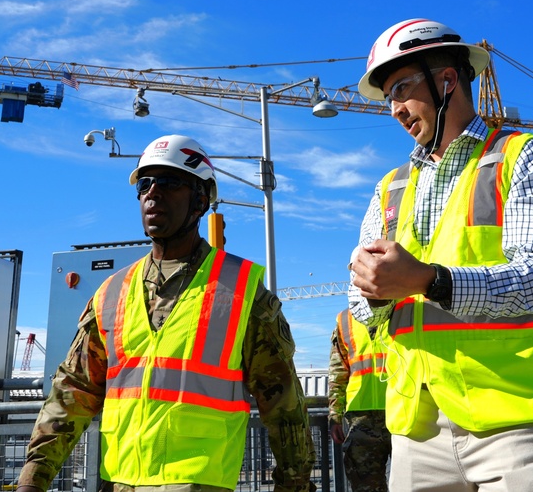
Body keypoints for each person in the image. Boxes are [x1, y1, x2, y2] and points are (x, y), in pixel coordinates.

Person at [348, 18, 533, 491]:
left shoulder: (523, 157)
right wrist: (374, 294)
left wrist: (428, 280)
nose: (394, 109)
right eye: (388, 96)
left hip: (518, 424)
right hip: (417, 431)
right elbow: (359, 305)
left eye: (401, 89)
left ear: (448, 80)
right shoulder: (390, 188)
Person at [17, 134, 316, 492]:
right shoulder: (111, 292)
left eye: (170, 182)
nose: (153, 193)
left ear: (201, 199)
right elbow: (72, 392)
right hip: (118, 483)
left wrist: (295, 484)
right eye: (145, 184)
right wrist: (31, 482)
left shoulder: (242, 292)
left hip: (198, 484)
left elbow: (284, 406)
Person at [328, 309, 391, 492]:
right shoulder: (345, 320)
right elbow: (338, 371)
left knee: (412, 484)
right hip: (361, 419)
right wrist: (335, 416)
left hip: (405, 414)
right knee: (365, 486)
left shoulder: (404, 307)